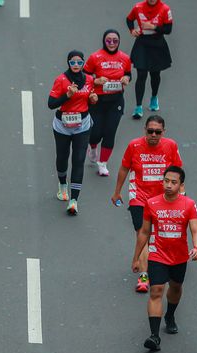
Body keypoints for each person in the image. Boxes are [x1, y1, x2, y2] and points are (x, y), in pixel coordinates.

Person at [112, 115, 182, 293]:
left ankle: (164, 261)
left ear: (163, 132)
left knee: (158, 235)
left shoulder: (171, 146)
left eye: (157, 132)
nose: (153, 135)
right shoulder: (134, 145)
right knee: (142, 233)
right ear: (145, 130)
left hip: (163, 199)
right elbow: (124, 168)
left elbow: (178, 173)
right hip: (140, 198)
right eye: (150, 131)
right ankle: (144, 276)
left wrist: (181, 195)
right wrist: (117, 191)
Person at [132, 166, 197, 351]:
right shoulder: (152, 203)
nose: (169, 185)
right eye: (166, 181)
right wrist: (136, 257)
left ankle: (170, 315)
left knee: (175, 288)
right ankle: (154, 336)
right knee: (156, 291)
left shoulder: (189, 204)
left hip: (179, 257)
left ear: (181, 185)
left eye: (173, 182)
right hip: (157, 254)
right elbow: (144, 232)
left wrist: (196, 247)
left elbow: (195, 230)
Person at [48, 50, 98, 215]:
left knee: (78, 160)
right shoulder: (61, 80)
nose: (76, 65)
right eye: (72, 62)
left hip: (82, 125)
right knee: (62, 158)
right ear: (68, 63)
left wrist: (93, 100)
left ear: (83, 63)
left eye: (79, 62)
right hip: (62, 125)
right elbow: (51, 104)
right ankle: (63, 185)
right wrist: (67, 95)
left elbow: (90, 99)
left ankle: (74, 200)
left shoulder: (89, 80)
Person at [84, 30, 132, 177]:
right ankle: (93, 146)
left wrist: (126, 79)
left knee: (110, 132)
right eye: (108, 40)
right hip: (97, 100)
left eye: (115, 41)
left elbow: (128, 73)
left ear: (119, 42)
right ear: (104, 41)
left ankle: (102, 164)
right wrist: (95, 81)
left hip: (116, 101)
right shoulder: (95, 57)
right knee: (95, 133)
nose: (111, 43)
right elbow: (84, 76)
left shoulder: (125, 58)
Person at [126, 0, 174, 119]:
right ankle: (138, 107)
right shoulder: (138, 7)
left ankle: (154, 98)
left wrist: (154, 27)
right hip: (142, 43)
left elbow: (168, 29)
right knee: (141, 74)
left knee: (155, 74)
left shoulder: (165, 9)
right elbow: (129, 19)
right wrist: (132, 30)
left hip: (157, 44)